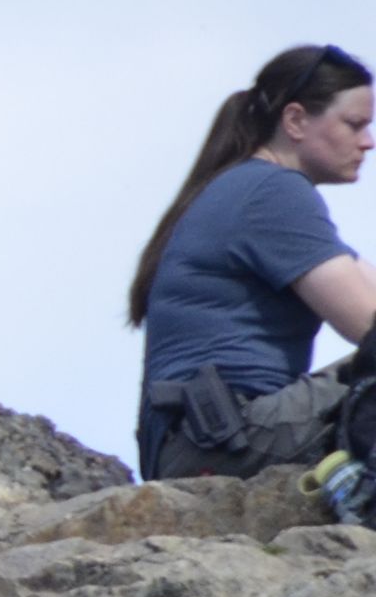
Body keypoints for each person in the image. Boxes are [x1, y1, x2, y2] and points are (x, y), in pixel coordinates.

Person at [133, 44, 376, 481]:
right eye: (354, 124)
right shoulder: (272, 192)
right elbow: (367, 323)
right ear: (296, 120)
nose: (368, 142)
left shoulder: (247, 188)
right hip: (229, 435)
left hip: (201, 438)